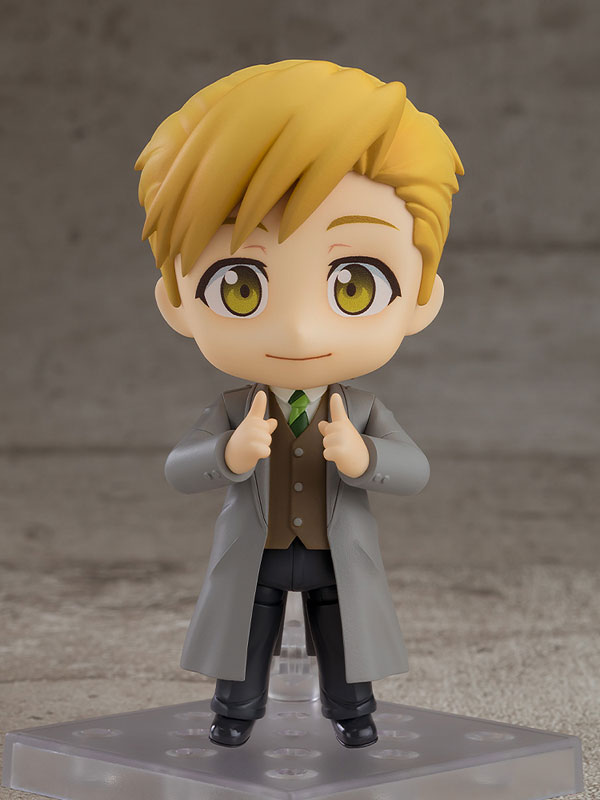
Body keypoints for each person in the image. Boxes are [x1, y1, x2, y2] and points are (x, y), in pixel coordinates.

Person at [135, 59, 463, 748]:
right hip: (253, 554)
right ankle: (235, 714)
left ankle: (354, 714)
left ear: (422, 297)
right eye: (241, 287)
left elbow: (415, 471)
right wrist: (228, 454)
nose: (299, 333)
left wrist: (362, 456)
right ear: (176, 301)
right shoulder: (234, 407)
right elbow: (179, 468)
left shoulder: (361, 409)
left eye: (354, 286)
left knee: (342, 634)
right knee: (246, 637)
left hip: (335, 556)